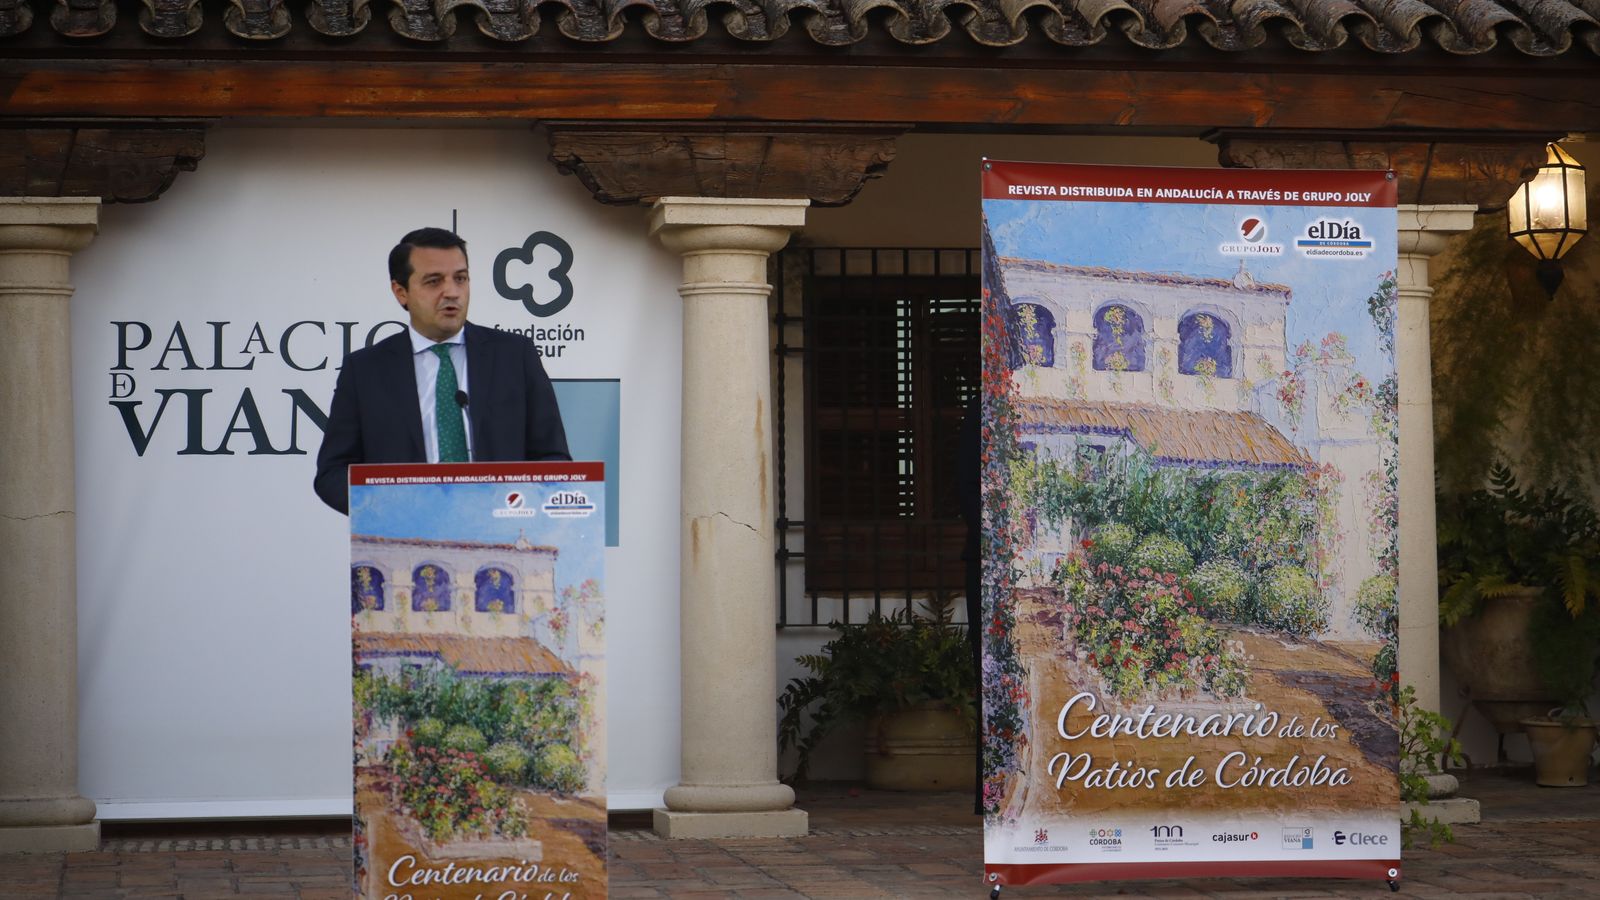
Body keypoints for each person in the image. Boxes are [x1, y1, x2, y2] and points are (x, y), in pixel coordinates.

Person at [313, 227, 570, 514]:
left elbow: (553, 459)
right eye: (434, 281)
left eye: (460, 279)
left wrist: (521, 507)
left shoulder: (514, 356)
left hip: (502, 525)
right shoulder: (365, 371)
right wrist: (386, 509)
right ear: (401, 292)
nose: (452, 292)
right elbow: (332, 474)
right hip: (407, 529)